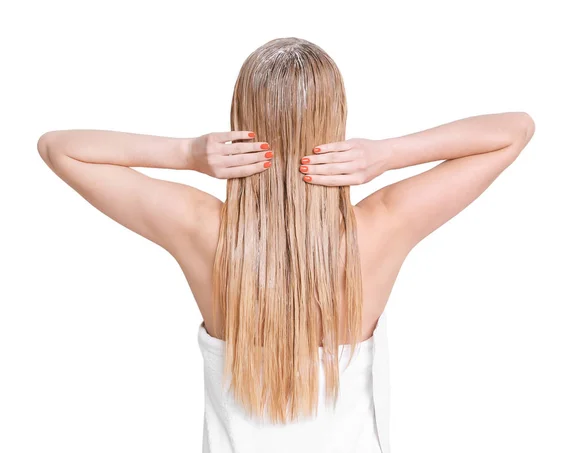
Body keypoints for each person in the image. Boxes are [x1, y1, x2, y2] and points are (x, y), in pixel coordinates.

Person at [36, 37, 535, 453]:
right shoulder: (382, 225)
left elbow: (58, 148)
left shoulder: (200, 228)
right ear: (334, 118)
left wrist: (186, 153)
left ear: (241, 116)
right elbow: (514, 130)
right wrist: (388, 154)